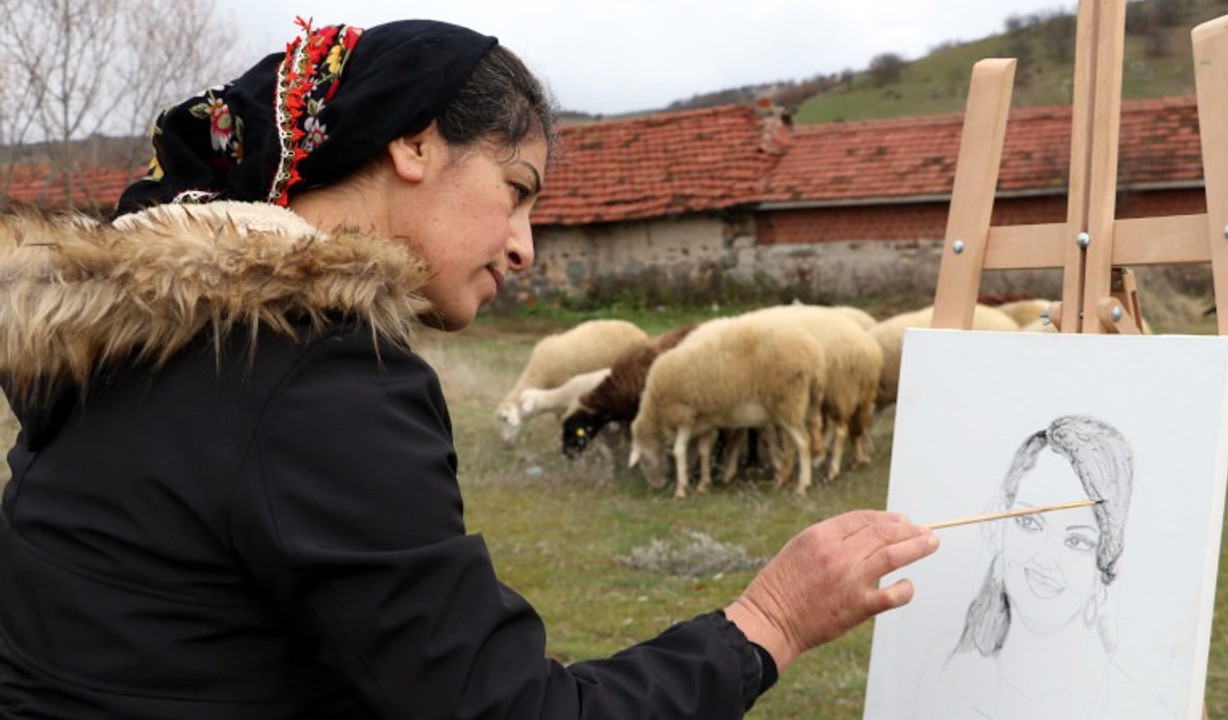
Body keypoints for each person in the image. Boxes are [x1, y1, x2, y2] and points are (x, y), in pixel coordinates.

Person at [0, 17, 939, 720]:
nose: (525, 247)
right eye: (516, 192)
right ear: (413, 143)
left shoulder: (119, 351)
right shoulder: (309, 373)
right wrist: (767, 624)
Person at [912, 414, 1168, 719]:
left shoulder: (1137, 707)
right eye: (1029, 522)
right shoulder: (944, 671)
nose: (1045, 558)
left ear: (1106, 558)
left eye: (1077, 541)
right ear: (1000, 524)